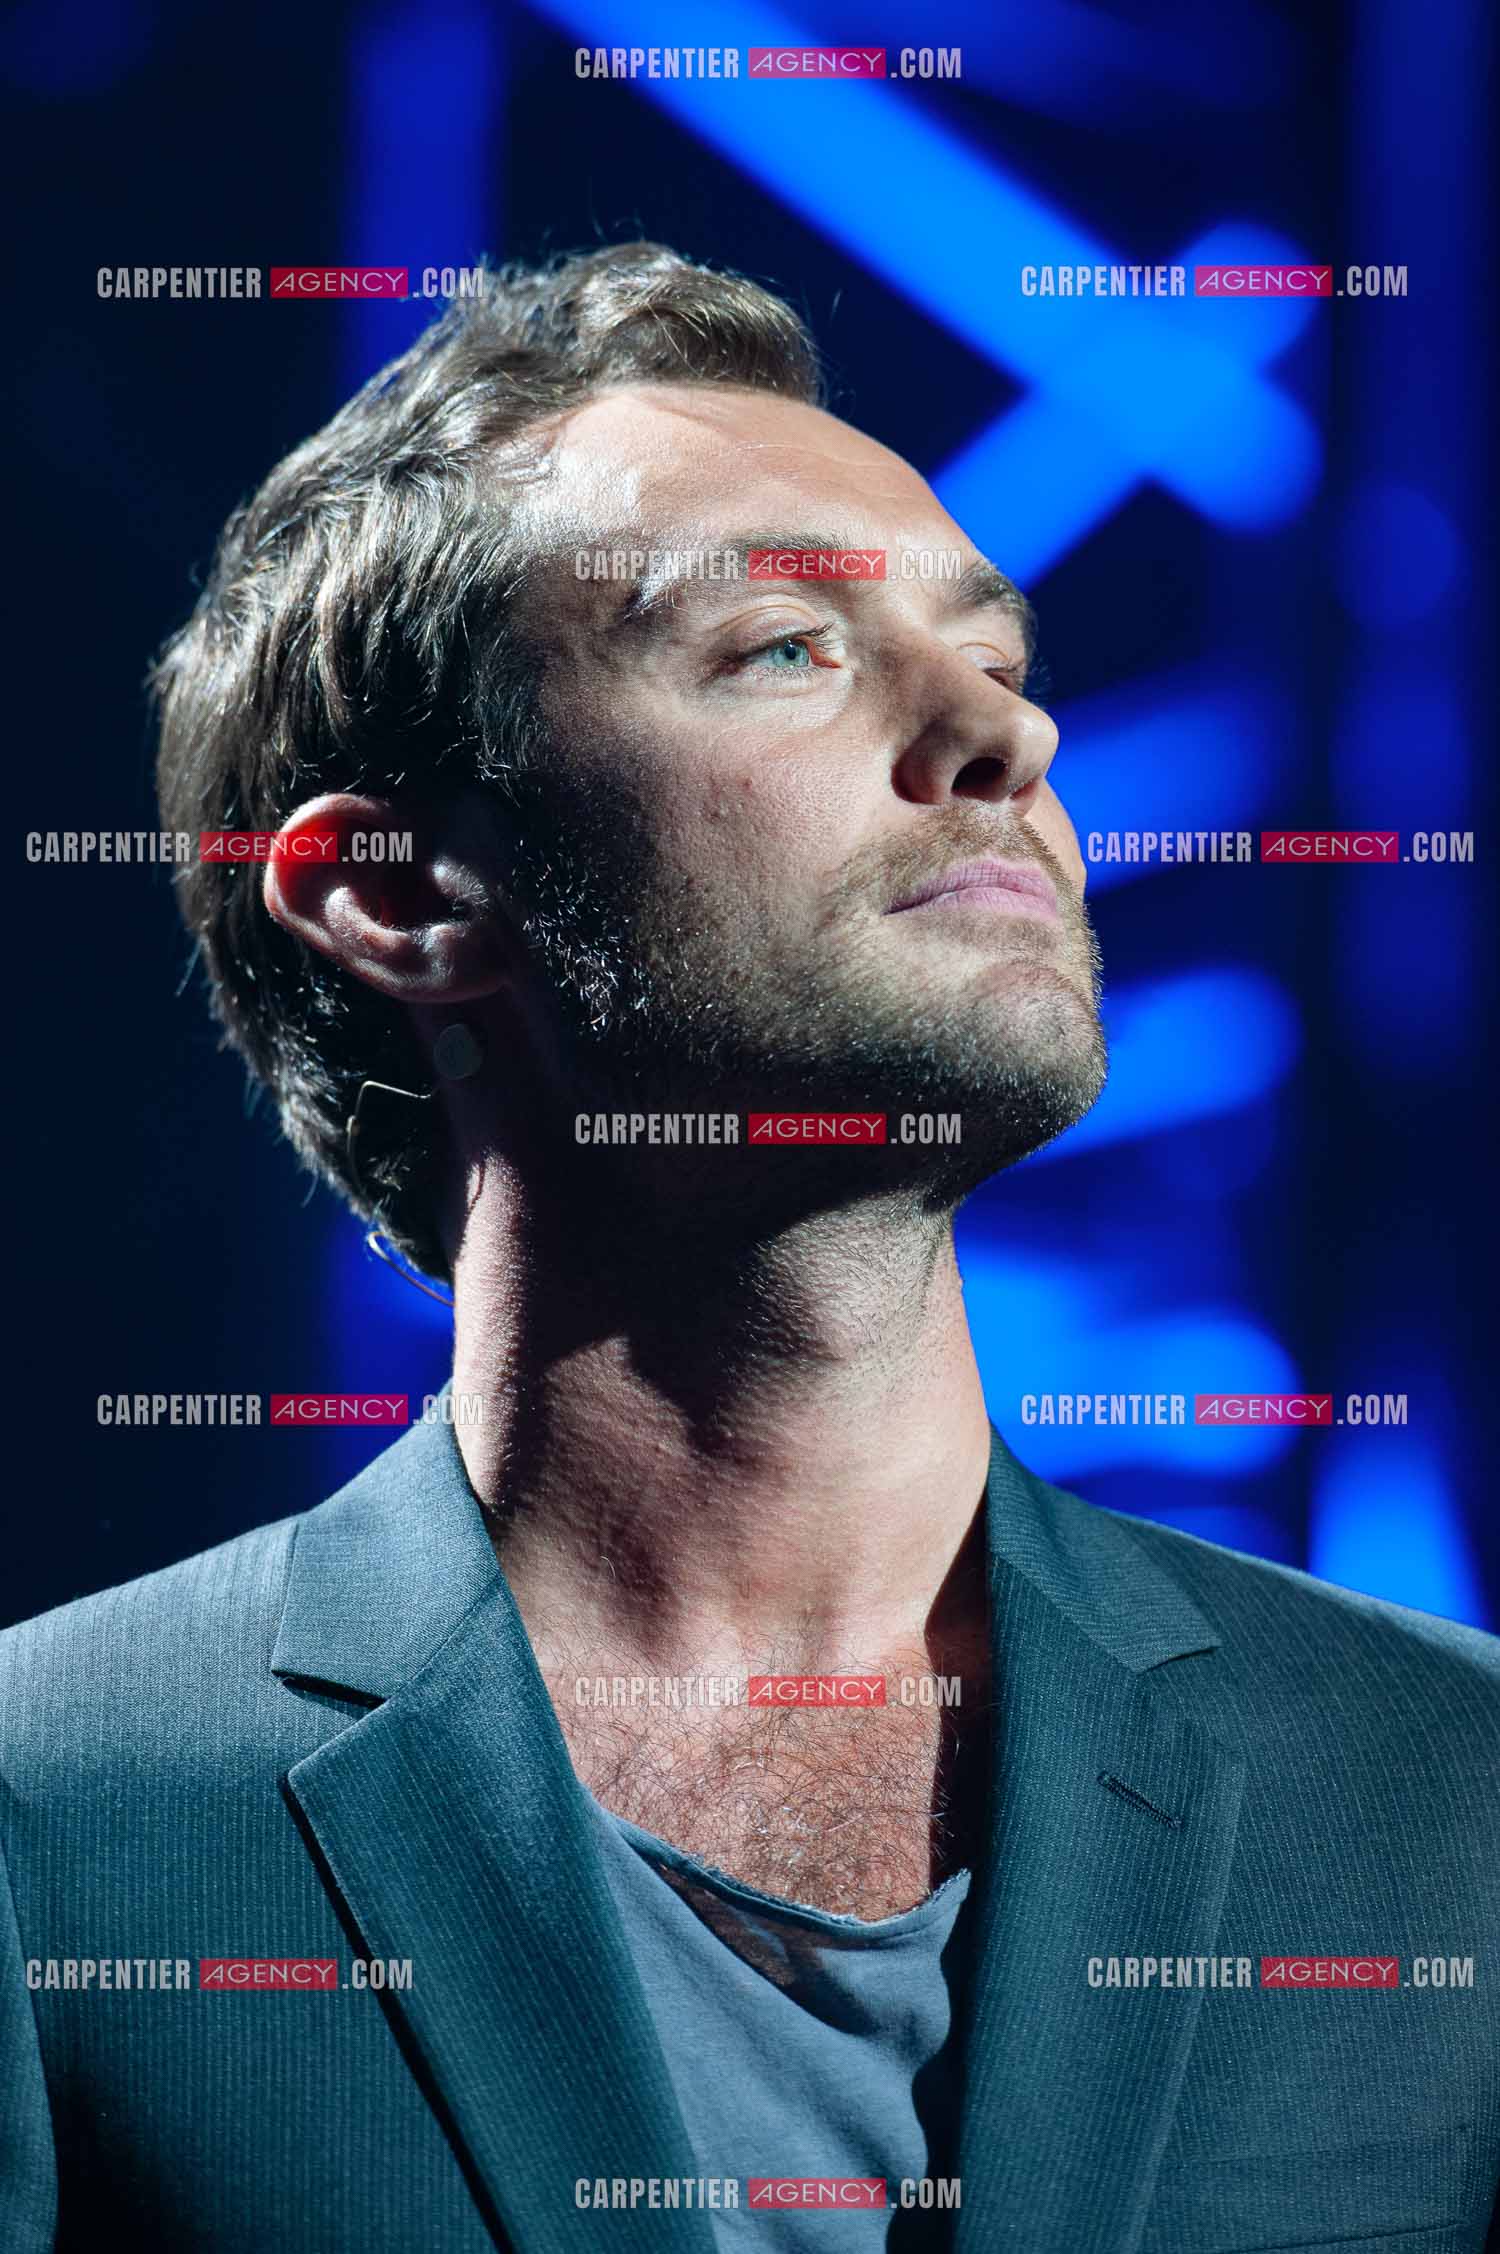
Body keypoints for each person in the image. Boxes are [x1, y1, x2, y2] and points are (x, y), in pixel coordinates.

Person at [2, 244, 1496, 2254]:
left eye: (1001, 654)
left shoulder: (1447, 1786)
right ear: (403, 896)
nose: (998, 735)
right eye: (785, 647)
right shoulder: (58, 1811)